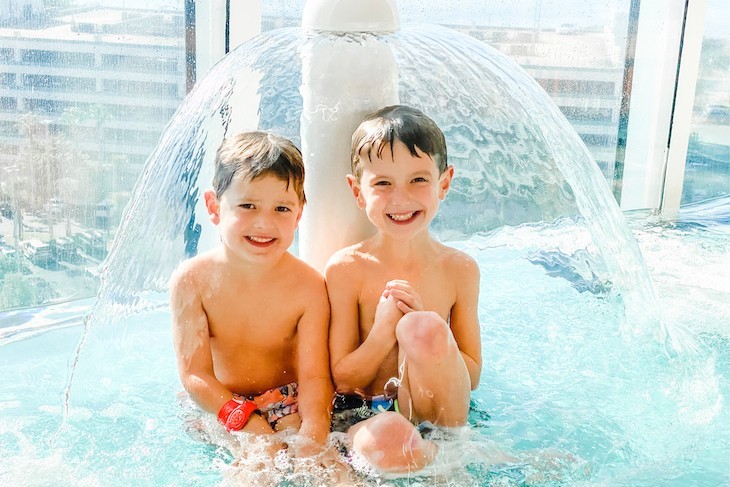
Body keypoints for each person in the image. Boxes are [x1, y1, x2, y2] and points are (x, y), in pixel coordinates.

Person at [326, 105, 483, 473]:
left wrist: (426, 332)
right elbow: (343, 380)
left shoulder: (459, 269)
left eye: (418, 180)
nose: (400, 199)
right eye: (382, 183)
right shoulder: (347, 270)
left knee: (424, 329)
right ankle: (440, 466)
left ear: (444, 183)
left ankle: (450, 461)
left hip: (441, 419)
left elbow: (472, 376)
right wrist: (383, 333)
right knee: (390, 438)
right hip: (368, 415)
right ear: (357, 191)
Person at [170, 131, 333, 459]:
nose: (264, 223)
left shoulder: (309, 287)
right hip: (220, 401)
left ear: (299, 215)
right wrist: (246, 420)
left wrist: (315, 432)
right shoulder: (192, 281)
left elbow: (315, 376)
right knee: (258, 460)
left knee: (323, 464)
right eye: (248, 205)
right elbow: (195, 375)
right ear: (214, 207)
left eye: (281, 209)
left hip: (287, 400)